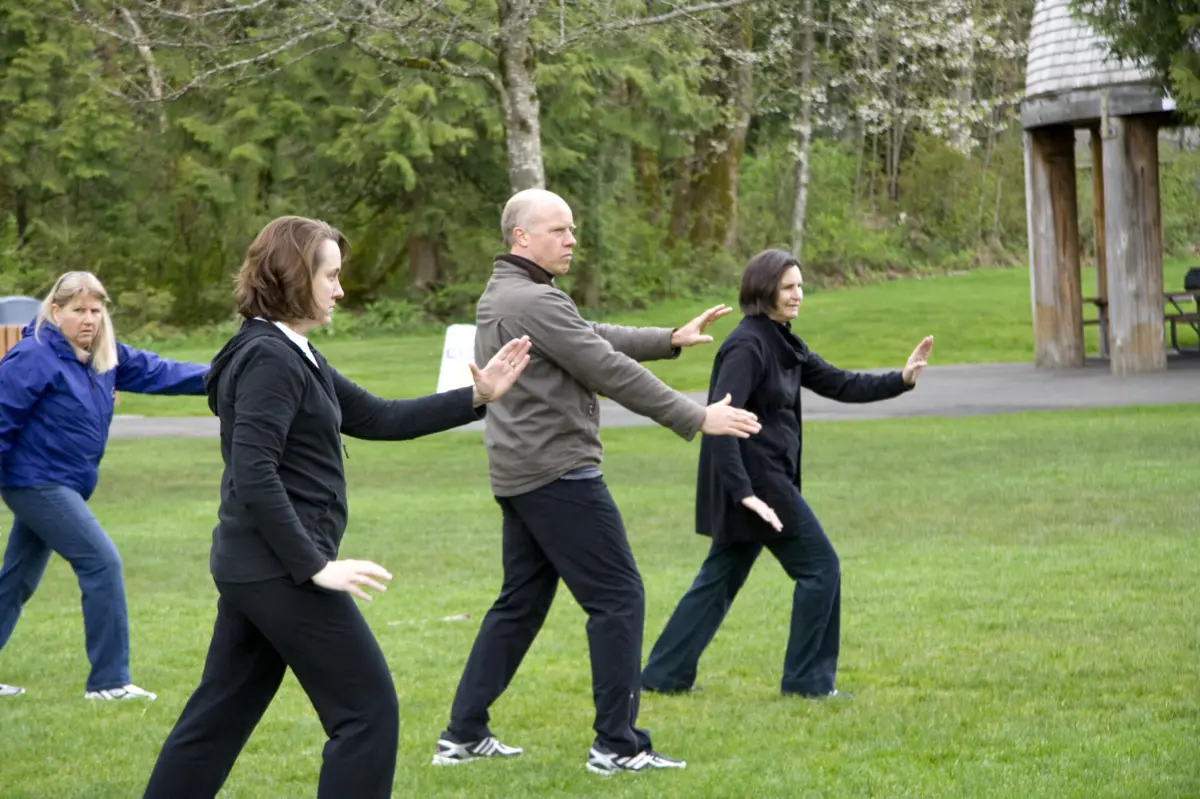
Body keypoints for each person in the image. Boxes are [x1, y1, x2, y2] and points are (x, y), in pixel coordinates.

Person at [141, 216, 532, 799]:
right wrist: (314, 567)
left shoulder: (291, 351)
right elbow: (254, 472)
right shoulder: (269, 358)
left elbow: (378, 416)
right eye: (330, 276)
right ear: (293, 276)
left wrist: (477, 396)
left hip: (256, 566)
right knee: (367, 712)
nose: (340, 290)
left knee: (217, 718)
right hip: (279, 570)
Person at [431, 189, 762, 776]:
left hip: (522, 473)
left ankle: (463, 734)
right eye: (559, 230)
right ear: (521, 238)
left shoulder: (513, 292)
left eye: (573, 229)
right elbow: (606, 367)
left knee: (519, 605)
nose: (572, 240)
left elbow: (585, 333)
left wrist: (667, 338)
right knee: (618, 598)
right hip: (556, 473)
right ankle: (616, 745)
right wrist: (696, 416)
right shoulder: (531, 298)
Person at [640, 249, 934, 699]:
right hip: (757, 484)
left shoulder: (782, 341)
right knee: (820, 569)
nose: (798, 294)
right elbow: (720, 422)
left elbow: (840, 382)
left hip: (762, 481)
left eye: (800, 286)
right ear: (765, 291)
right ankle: (807, 684)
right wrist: (744, 493)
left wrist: (902, 379)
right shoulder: (747, 346)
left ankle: (664, 675)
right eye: (788, 287)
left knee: (720, 578)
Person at [0, 271, 209, 700]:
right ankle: (109, 683)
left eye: (95, 310)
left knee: (17, 579)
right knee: (101, 562)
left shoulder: (102, 357)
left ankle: (109, 681)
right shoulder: (33, 356)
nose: (89, 319)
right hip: (36, 483)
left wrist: (231, 373)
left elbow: (162, 372)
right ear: (55, 311)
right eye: (78, 310)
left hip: (63, 484)